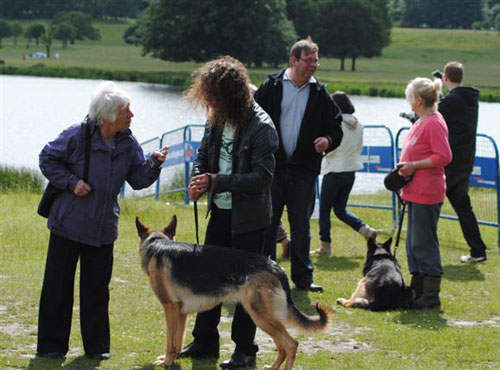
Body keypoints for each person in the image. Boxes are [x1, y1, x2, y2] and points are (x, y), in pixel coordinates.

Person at [36, 81, 168, 359]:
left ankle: (97, 349)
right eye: (126, 110)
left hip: (103, 228)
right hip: (67, 224)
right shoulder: (76, 136)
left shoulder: (128, 142)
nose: (131, 115)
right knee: (58, 288)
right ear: (108, 115)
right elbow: (47, 158)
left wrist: (154, 163)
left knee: (97, 291)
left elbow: (138, 179)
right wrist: (72, 182)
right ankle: (50, 348)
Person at [178, 56, 278, 369]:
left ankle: (245, 351)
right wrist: (198, 179)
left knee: (246, 287)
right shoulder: (218, 117)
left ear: (229, 95)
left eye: (212, 95)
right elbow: (203, 156)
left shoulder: (262, 127)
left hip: (249, 220)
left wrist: (216, 181)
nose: (207, 100)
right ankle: (205, 342)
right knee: (208, 279)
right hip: (220, 214)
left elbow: (263, 178)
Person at [255, 37, 343, 293]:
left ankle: (303, 279)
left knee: (302, 227)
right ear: (294, 60)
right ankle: (266, 276)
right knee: (268, 224)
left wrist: (327, 140)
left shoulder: (319, 93)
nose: (313, 65)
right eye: (308, 60)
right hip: (273, 169)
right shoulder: (270, 86)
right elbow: (252, 119)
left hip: (304, 171)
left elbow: (336, 127)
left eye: (316, 60)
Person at [398, 77, 452, 309]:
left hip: (427, 190)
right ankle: (418, 288)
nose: (408, 101)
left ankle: (430, 294)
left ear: (419, 100)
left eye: (410, 97)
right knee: (413, 243)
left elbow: (444, 156)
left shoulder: (433, 122)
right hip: (414, 190)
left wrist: (414, 165)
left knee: (423, 242)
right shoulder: (421, 121)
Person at [314, 91, 376, 256]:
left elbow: (331, 148)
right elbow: (359, 149)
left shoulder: (336, 125)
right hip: (350, 171)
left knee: (324, 211)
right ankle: (366, 230)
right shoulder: (359, 125)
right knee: (340, 210)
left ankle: (325, 246)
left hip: (334, 170)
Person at [438, 61, 487, 263]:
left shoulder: (450, 101)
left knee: (429, 205)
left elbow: (432, 117)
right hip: (465, 161)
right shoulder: (470, 99)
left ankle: (424, 249)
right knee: (464, 208)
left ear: (445, 78)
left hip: (449, 162)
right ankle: (478, 250)